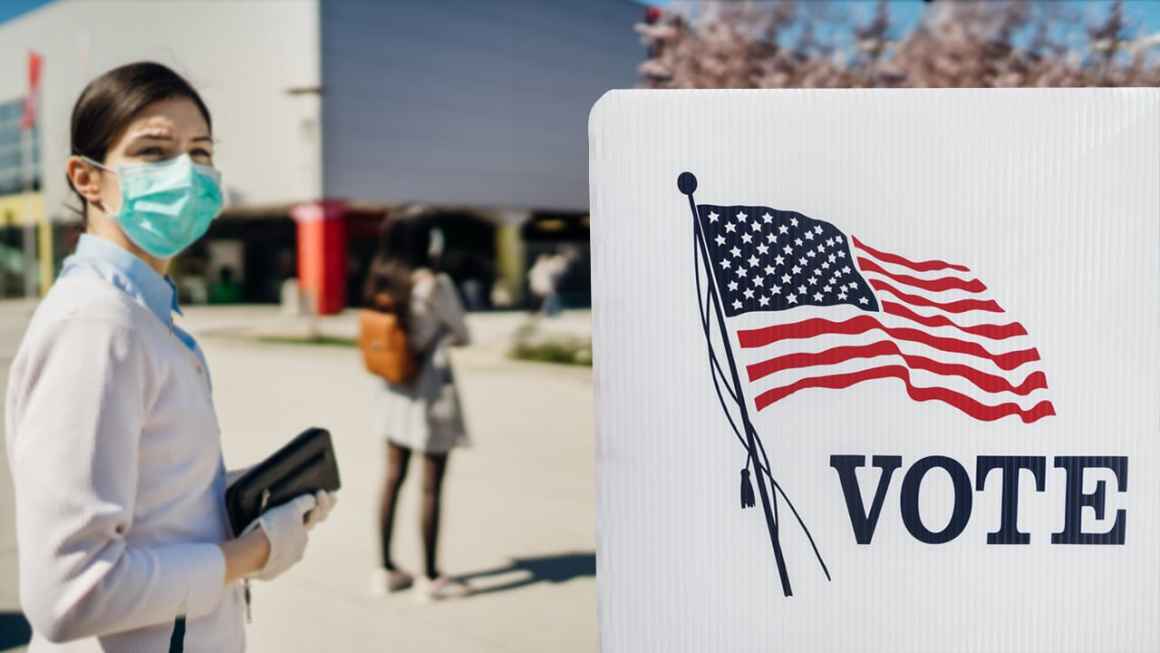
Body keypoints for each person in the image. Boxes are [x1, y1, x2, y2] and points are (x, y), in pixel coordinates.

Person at [4, 62, 337, 652]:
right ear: (86, 177)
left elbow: (143, 506)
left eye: (200, 152)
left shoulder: (144, 316)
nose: (185, 173)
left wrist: (236, 498)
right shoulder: (98, 325)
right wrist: (254, 553)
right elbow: (69, 593)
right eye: (155, 152)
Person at [363, 219, 471, 601]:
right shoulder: (435, 284)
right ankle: (430, 577)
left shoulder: (381, 280)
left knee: (392, 476)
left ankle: (386, 569)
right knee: (431, 484)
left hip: (392, 389)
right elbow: (463, 333)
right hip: (428, 393)